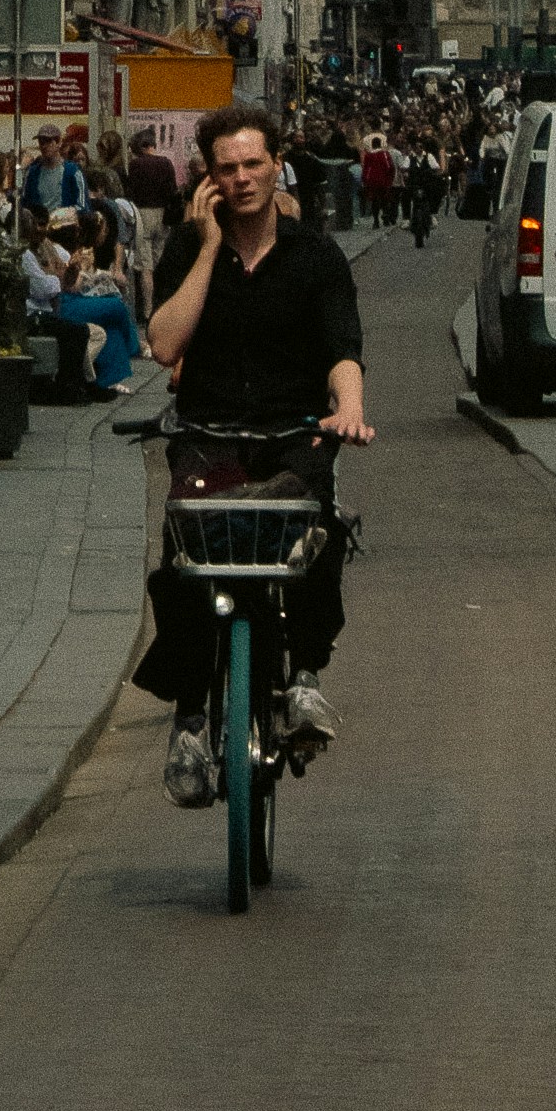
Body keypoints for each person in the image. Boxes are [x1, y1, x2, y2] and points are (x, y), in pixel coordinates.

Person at [134, 108, 368, 806]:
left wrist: (349, 409)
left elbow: (343, 348)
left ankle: (304, 678)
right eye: (226, 169)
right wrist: (208, 248)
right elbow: (164, 345)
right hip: (209, 433)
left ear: (275, 167)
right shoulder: (188, 248)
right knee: (185, 560)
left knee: (318, 531)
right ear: (209, 178)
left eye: (252, 165)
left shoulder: (315, 255)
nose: (241, 179)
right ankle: (190, 722)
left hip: (294, 432)